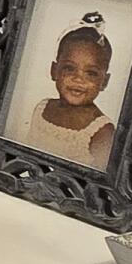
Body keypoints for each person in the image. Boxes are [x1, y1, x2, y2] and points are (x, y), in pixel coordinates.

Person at [12, 14, 119, 168]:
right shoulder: (42, 108)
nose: (78, 79)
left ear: (105, 82)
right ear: (54, 70)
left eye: (91, 73)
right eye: (69, 68)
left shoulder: (102, 132)